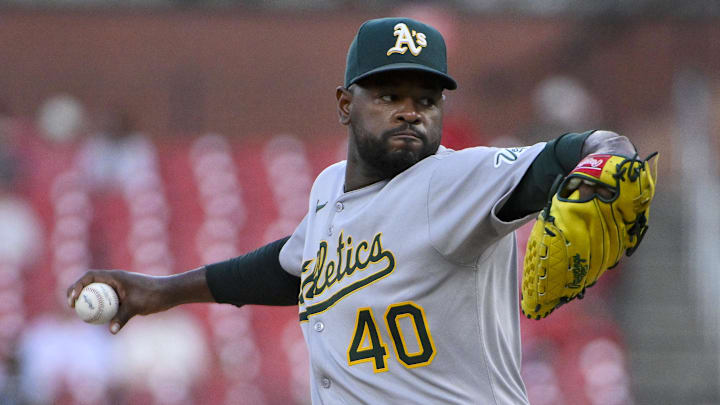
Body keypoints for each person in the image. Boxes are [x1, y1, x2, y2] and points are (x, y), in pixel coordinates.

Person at [68, 17, 640, 404]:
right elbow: (289, 268)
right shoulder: (329, 188)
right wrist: (163, 291)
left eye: (425, 99)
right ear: (347, 104)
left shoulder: (455, 180)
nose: (411, 112)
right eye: (390, 95)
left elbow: (570, 151)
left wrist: (604, 153)